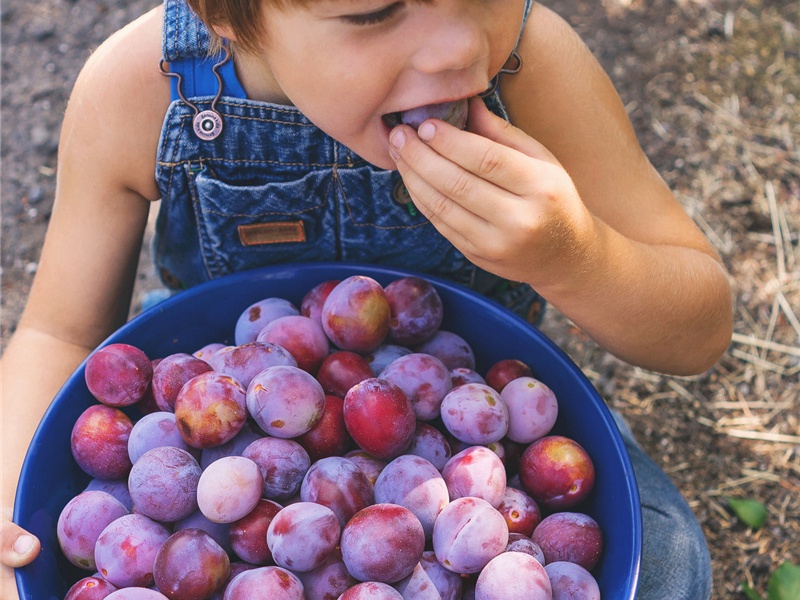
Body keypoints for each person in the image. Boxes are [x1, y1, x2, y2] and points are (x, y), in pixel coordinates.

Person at [1, 0, 731, 597]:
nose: (456, 47)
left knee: (665, 562)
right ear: (222, 10)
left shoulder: (531, 66)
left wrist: (575, 256)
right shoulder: (139, 91)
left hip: (486, 402)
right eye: (375, 11)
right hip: (212, 394)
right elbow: (60, 334)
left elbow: (696, 334)